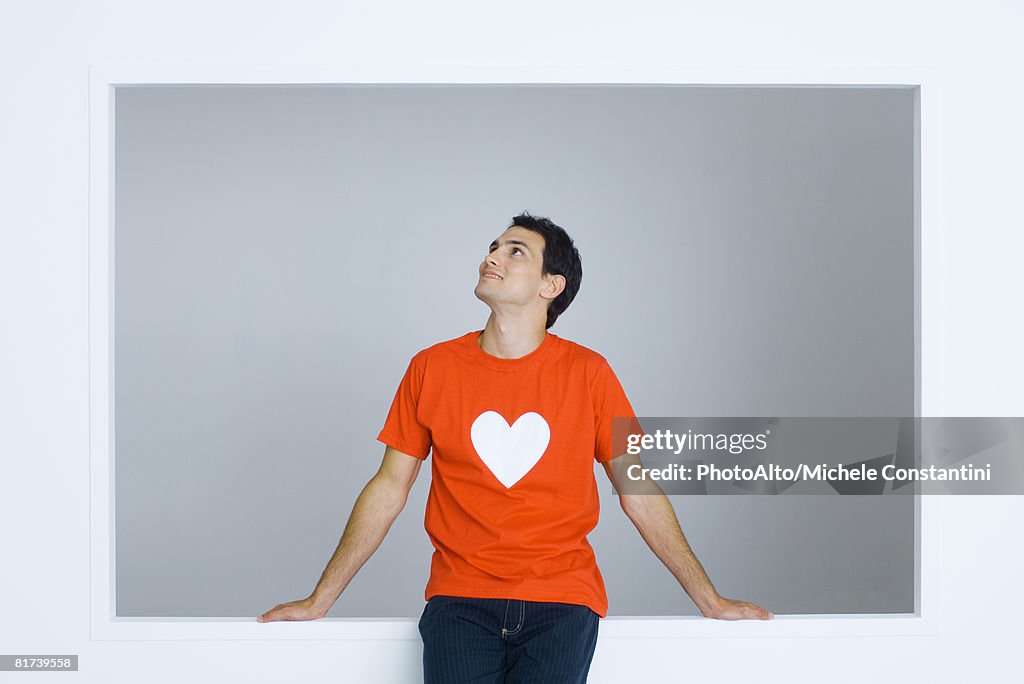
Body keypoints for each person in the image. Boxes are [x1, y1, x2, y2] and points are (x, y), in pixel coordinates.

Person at [258, 212, 772, 682]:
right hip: (459, 602)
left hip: (563, 602)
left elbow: (637, 489)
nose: (492, 257)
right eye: (493, 247)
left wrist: (709, 598)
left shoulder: (590, 373)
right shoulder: (431, 368)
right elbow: (389, 488)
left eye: (515, 251)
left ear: (552, 285)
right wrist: (320, 599)